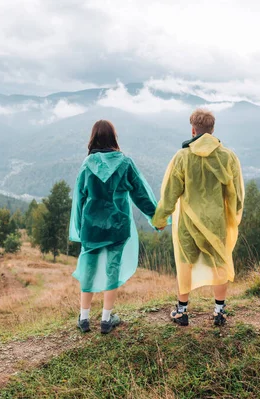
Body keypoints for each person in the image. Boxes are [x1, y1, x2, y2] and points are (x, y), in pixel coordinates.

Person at [152, 109, 245, 327]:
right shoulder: (227, 156)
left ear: (193, 130)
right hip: (216, 222)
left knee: (185, 263)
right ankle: (219, 312)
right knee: (219, 263)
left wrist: (160, 219)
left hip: (188, 222)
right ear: (212, 131)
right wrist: (233, 214)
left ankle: (182, 311)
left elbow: (170, 194)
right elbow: (236, 195)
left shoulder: (182, 157)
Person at [69, 120, 158, 334]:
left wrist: (80, 227)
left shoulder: (87, 164)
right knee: (113, 268)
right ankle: (107, 320)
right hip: (118, 224)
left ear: (93, 138)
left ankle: (84, 318)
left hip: (91, 225)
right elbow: (140, 193)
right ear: (113, 138)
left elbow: (80, 198)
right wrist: (155, 216)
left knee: (88, 268)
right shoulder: (125, 163)